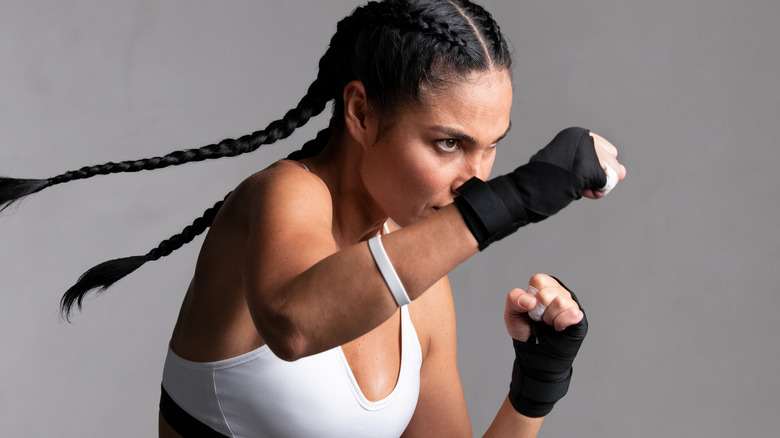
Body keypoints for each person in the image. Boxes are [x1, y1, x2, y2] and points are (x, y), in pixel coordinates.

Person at [0, 0, 626, 436]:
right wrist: (522, 196)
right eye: (447, 143)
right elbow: (295, 325)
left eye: (492, 146)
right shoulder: (281, 197)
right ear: (360, 113)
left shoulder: (419, 285)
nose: (477, 176)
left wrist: (537, 384)